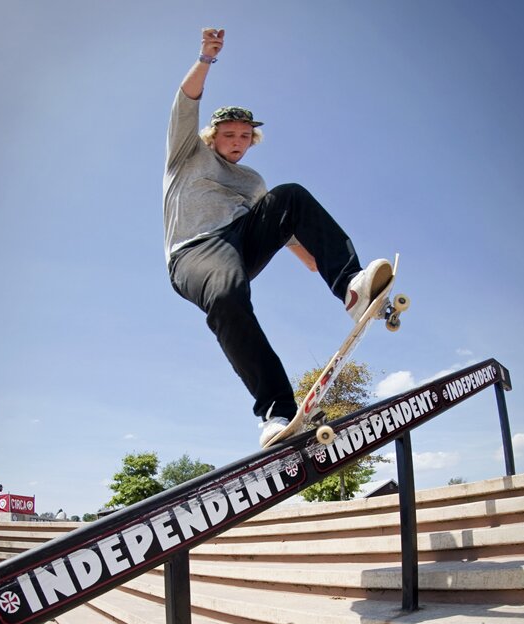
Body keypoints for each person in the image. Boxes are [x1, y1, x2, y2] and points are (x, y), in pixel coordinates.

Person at [164, 28, 393, 447]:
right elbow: (186, 103)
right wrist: (206, 58)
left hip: (241, 244)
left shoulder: (252, 181)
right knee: (228, 295)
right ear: (213, 137)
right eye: (229, 135)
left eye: (244, 136)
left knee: (289, 195)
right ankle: (276, 410)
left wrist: (314, 260)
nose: (237, 143)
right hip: (195, 253)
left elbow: (285, 229)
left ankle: (352, 286)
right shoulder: (187, 154)